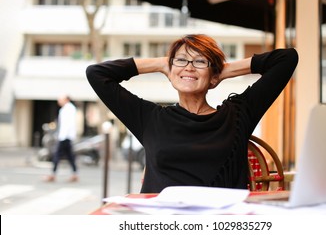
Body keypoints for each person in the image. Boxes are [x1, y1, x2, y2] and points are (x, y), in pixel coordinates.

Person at [86, 34, 298, 193]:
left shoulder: (238, 115)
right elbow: (97, 74)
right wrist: (160, 63)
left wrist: (225, 70)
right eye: (180, 60)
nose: (188, 67)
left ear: (214, 76)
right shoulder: (150, 119)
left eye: (199, 61)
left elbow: (286, 59)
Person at [44, 95, 78, 182]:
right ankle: (75, 174)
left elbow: (68, 124)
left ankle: (53, 174)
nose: (58, 101)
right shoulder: (66, 109)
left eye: (60, 99)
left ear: (66, 99)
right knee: (70, 156)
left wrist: (62, 136)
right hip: (65, 136)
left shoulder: (69, 108)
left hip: (65, 136)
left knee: (57, 155)